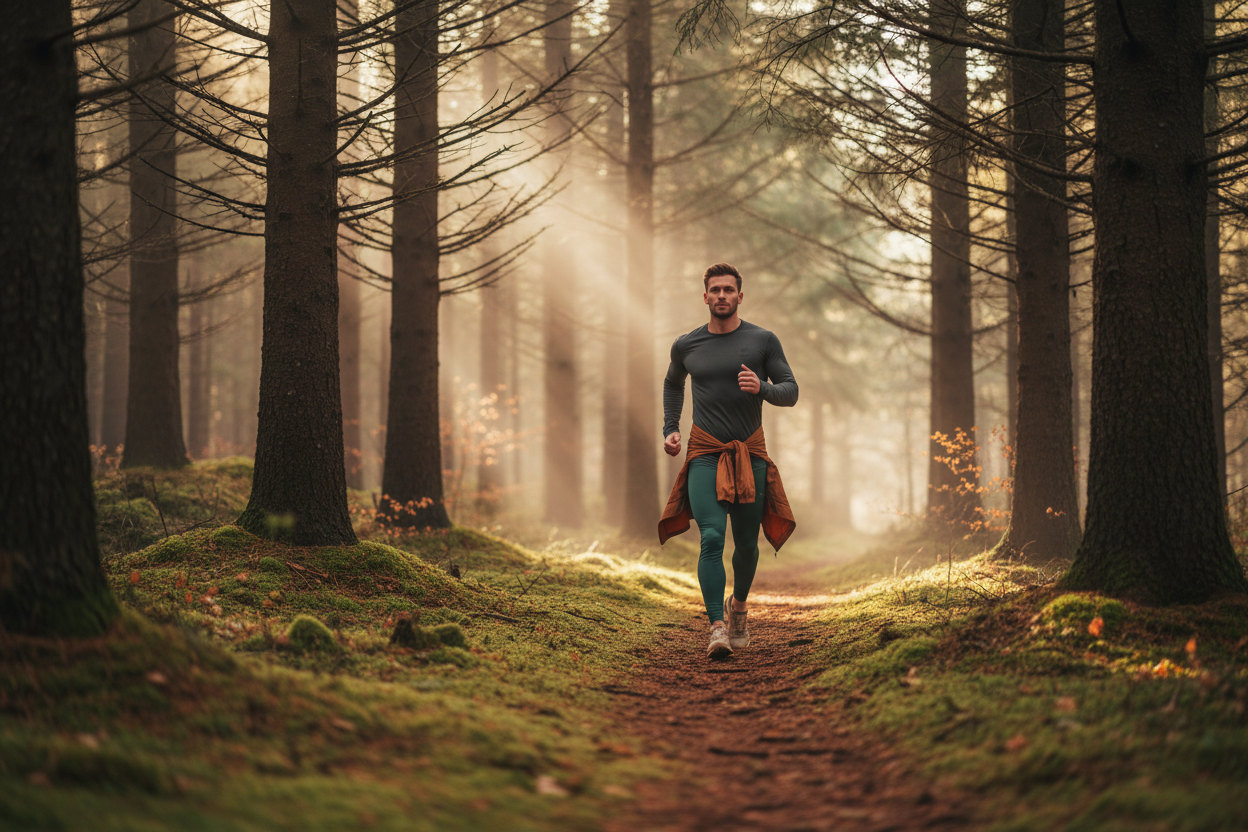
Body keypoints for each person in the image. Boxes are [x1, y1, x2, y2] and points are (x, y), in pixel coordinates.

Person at [657, 263, 799, 659]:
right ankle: (716, 627)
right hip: (704, 450)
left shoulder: (762, 341)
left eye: (728, 290)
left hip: (749, 452)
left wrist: (763, 387)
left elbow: (791, 391)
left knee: (747, 545)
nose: (721, 295)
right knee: (712, 537)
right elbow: (673, 382)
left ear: (740, 295)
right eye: (714, 290)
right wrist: (671, 427)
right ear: (705, 297)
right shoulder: (687, 345)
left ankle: (738, 607)